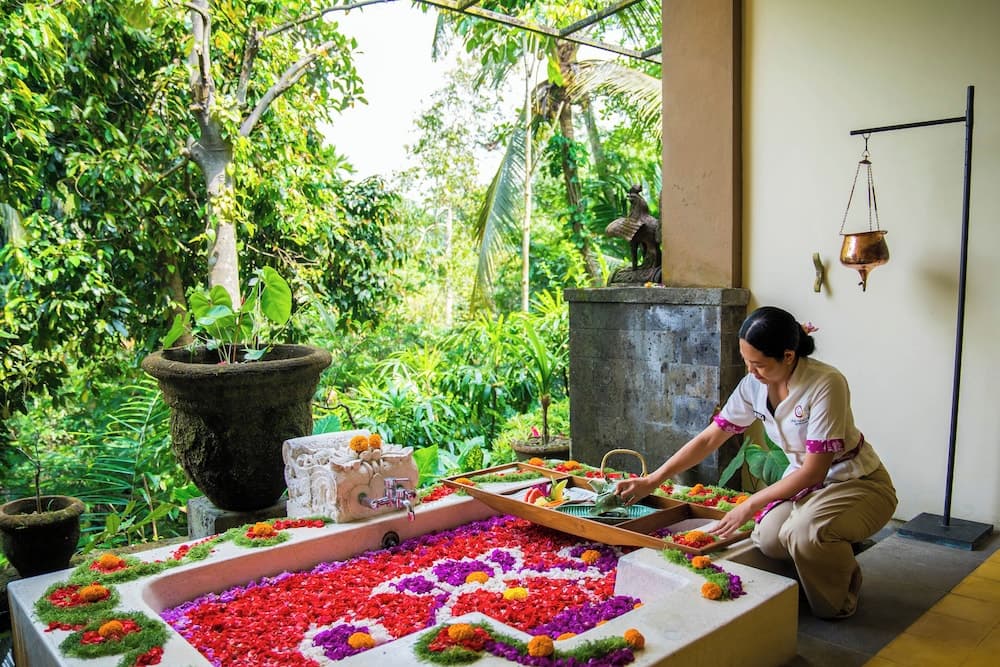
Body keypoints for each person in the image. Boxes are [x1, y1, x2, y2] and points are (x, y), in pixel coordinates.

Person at [615, 306, 897, 619]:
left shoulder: (826, 383)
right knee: (769, 538)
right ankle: (826, 563)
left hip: (854, 482)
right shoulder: (754, 385)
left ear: (788, 356)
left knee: (805, 534)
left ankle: (840, 597)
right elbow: (710, 439)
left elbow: (814, 471)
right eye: (746, 361)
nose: (751, 371)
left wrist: (750, 504)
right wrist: (653, 480)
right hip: (807, 484)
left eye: (759, 364)